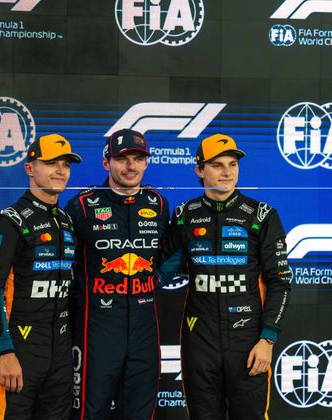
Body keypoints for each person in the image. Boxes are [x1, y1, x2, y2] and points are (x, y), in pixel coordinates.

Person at [157, 134, 292, 419]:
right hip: (199, 339)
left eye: (232, 164)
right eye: (217, 165)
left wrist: (267, 340)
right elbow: (162, 272)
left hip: (247, 340)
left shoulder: (261, 215)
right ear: (199, 170)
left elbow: (280, 282)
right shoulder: (185, 215)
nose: (227, 172)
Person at [66, 129, 169, 419]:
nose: (131, 166)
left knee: (141, 414)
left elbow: (173, 254)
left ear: (146, 163)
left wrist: (160, 277)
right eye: (122, 159)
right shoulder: (82, 206)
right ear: (106, 162)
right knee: (89, 413)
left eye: (138, 159)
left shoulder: (159, 205)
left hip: (144, 330)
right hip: (97, 331)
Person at [0, 134, 82, 420]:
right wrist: (5, 352)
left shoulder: (66, 221)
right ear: (29, 168)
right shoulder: (9, 221)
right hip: (20, 349)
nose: (60, 171)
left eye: (65, 164)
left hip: (61, 351)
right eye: (50, 163)